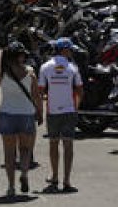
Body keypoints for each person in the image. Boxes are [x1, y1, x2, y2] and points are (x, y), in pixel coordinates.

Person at [0, 43, 43, 197]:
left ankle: (11, 187)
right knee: (25, 149)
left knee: (9, 153)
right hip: (26, 114)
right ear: (18, 56)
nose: (25, 56)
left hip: (7, 114)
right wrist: (40, 112)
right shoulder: (30, 73)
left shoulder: (3, 72)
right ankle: (24, 173)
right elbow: (36, 96)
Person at [39, 37, 83, 193]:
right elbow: (79, 90)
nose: (71, 52)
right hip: (69, 111)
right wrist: (75, 107)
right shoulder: (73, 68)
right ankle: (67, 181)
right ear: (64, 50)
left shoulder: (45, 67)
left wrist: (39, 109)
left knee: (53, 144)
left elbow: (40, 90)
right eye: (70, 49)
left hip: (53, 111)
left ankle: (55, 176)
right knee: (68, 145)